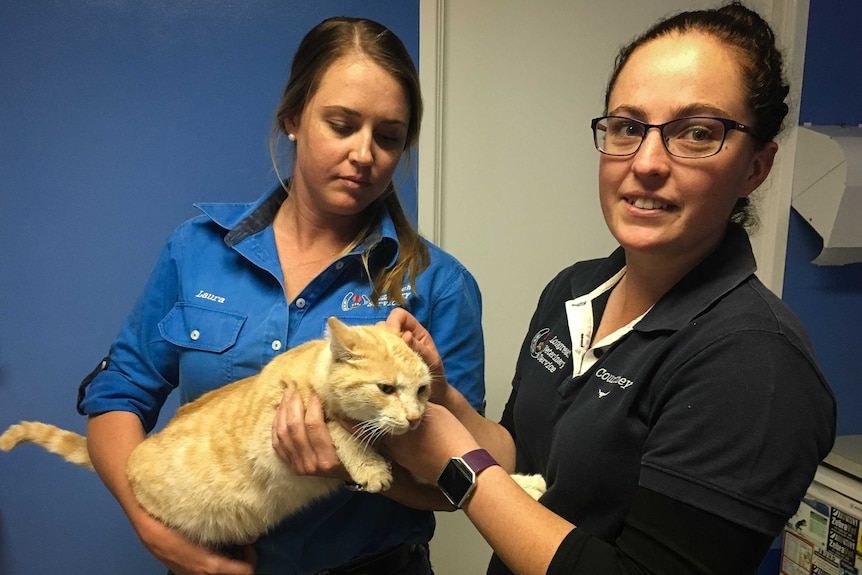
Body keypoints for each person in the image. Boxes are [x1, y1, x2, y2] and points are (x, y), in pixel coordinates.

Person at [375, 3, 837, 574]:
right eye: (627, 127)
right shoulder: (573, 290)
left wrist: (458, 465)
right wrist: (445, 402)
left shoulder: (758, 364)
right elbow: (526, 461)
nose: (645, 162)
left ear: (756, 168)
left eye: (696, 133)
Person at [77, 16, 485, 575]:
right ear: (293, 118)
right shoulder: (195, 252)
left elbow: (460, 481)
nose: (365, 154)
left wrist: (349, 464)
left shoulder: (439, 283)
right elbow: (117, 396)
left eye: (389, 136)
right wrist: (154, 530)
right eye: (341, 124)